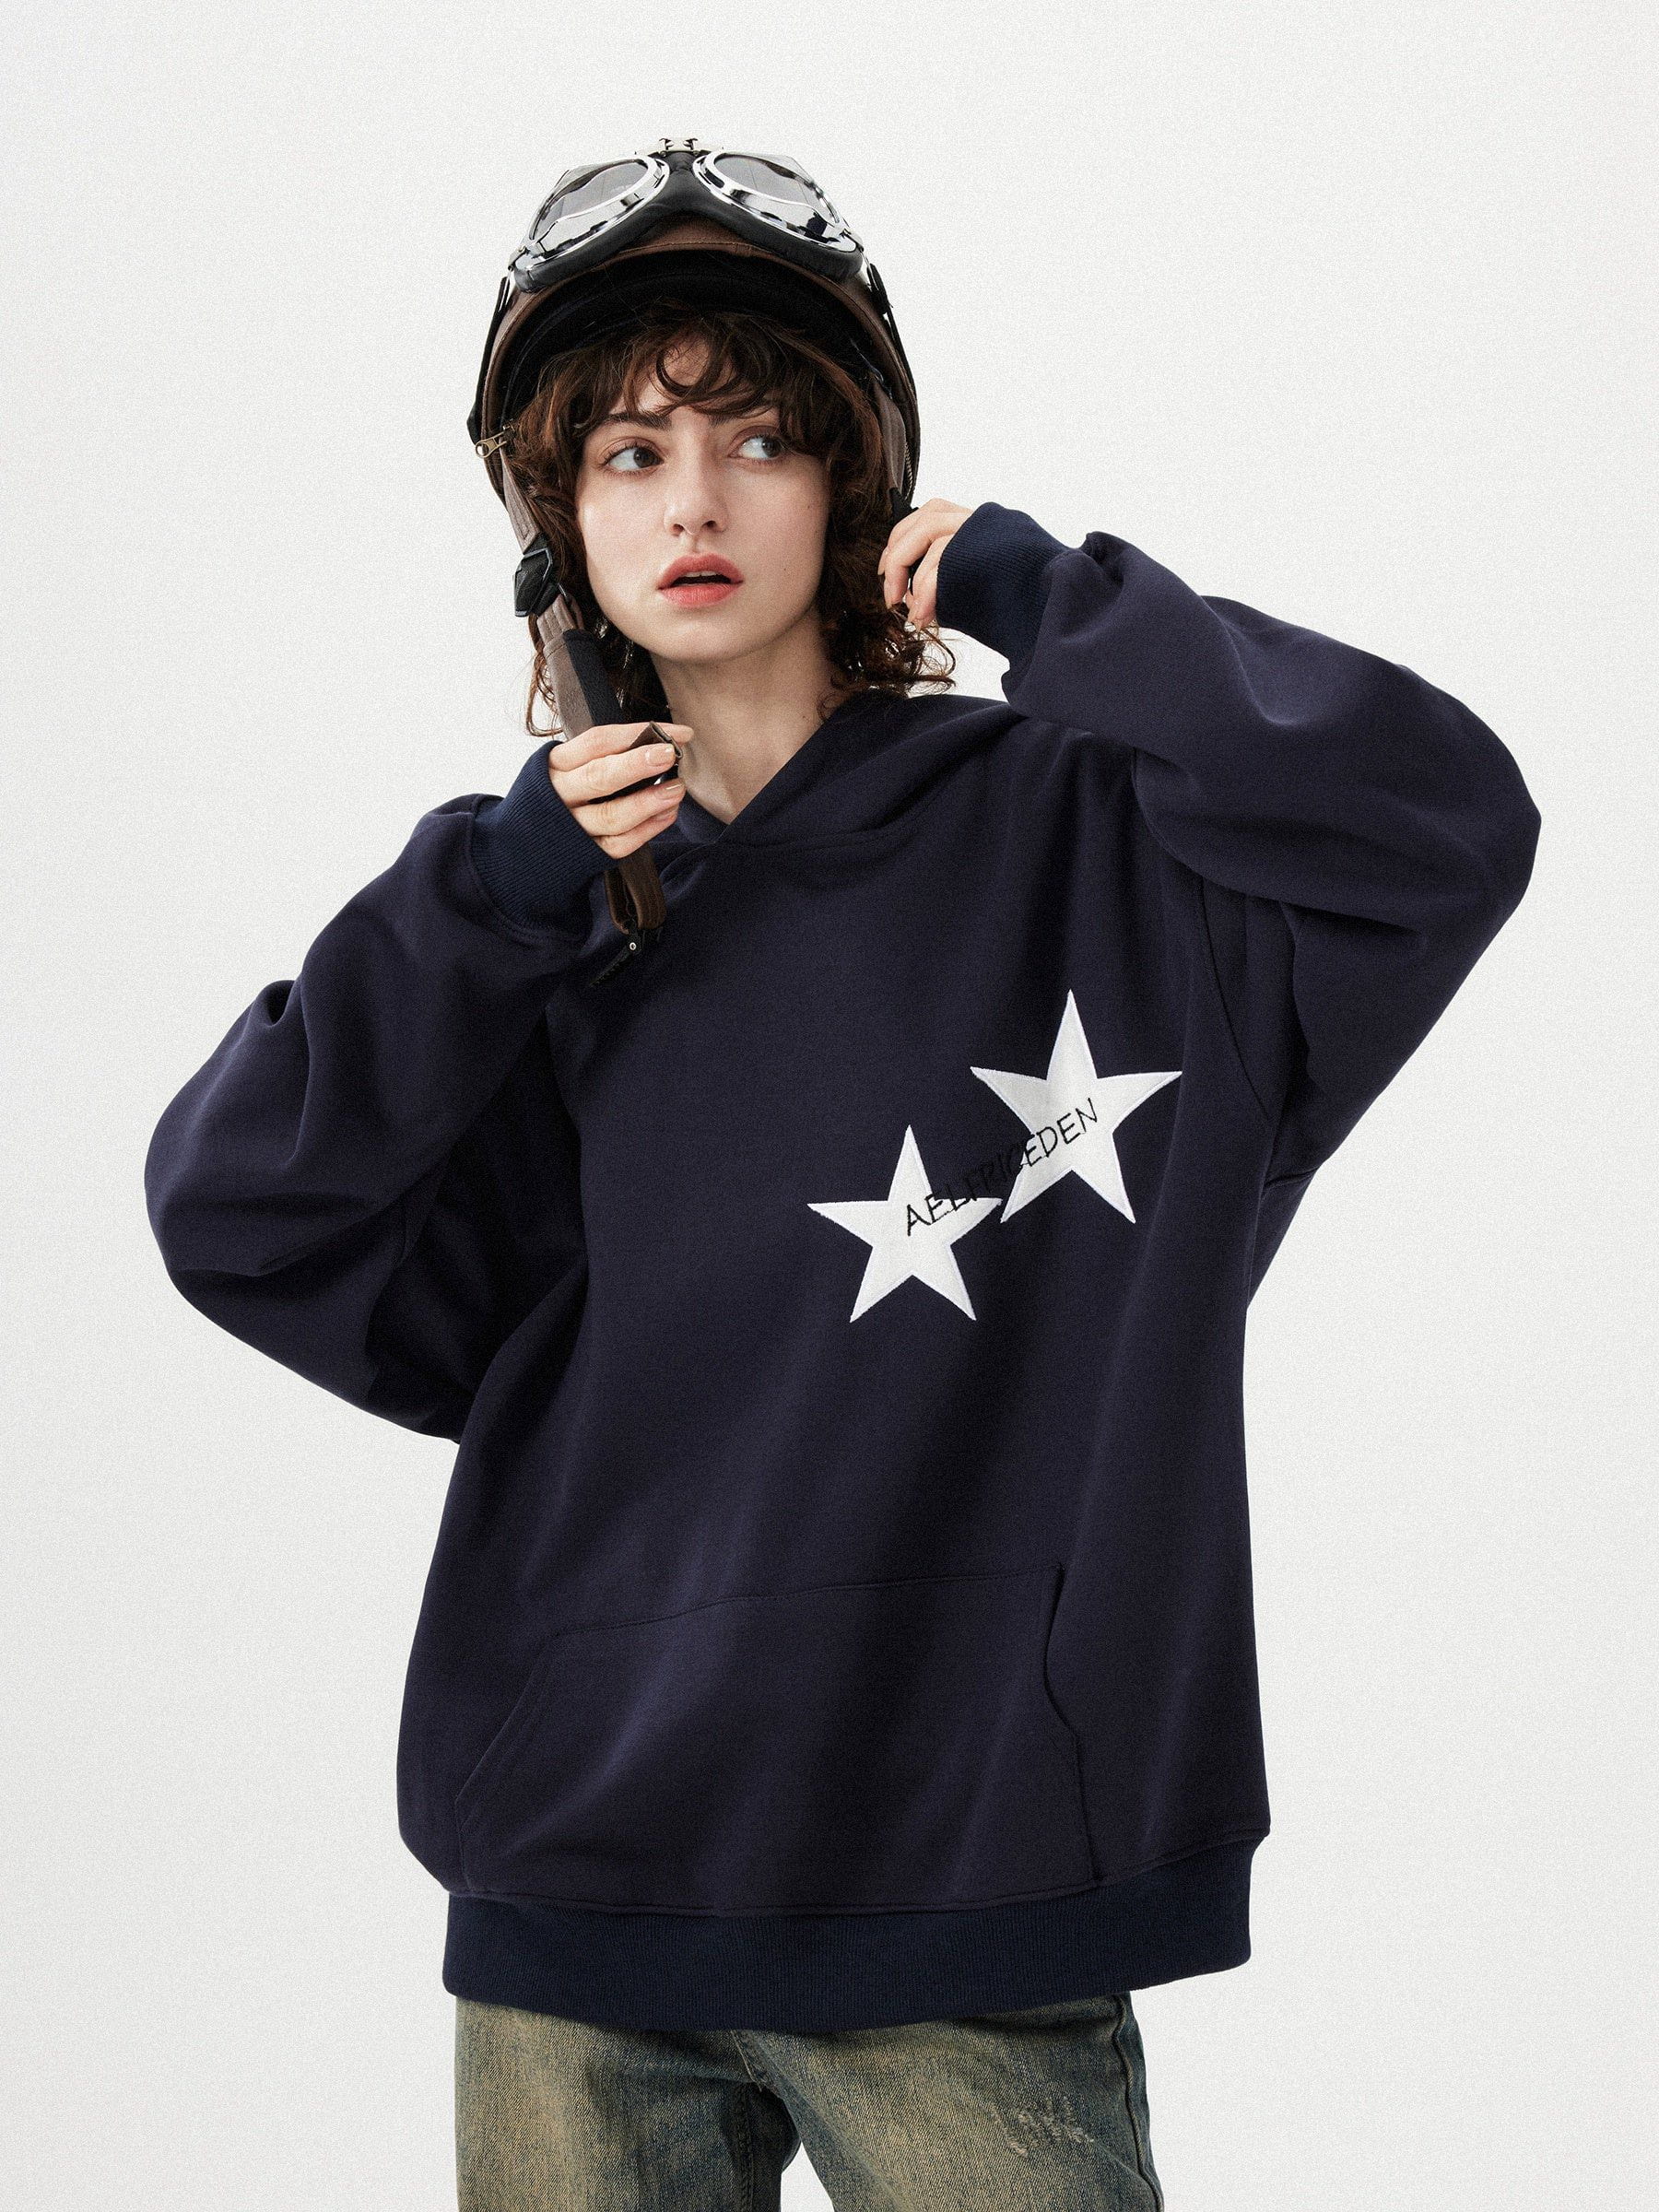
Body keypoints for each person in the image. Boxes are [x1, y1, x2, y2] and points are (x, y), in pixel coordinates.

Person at [143, 145, 1542, 2209]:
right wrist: (488, 899)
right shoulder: (528, 928)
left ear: (858, 486)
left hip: (972, 1889)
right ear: (559, 524)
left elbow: (1443, 825)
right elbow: (239, 1211)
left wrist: (1055, 608)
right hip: (578, 1910)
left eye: (762, 439)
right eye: (629, 454)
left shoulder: (1104, 843)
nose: (694, 504)